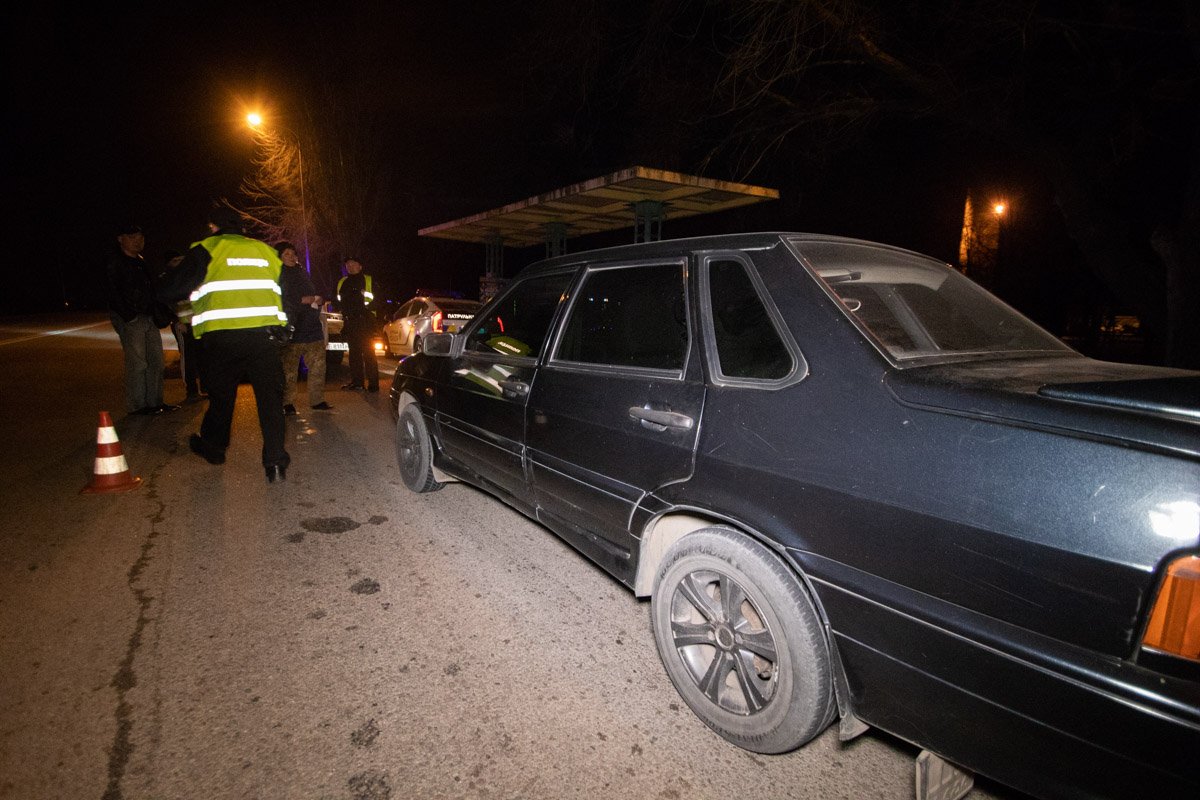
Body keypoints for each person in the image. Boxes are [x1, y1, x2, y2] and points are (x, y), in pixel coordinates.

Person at [157, 206, 291, 483]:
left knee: (222, 397)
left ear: (214, 227)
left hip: (221, 337)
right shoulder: (266, 251)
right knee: (270, 399)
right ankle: (276, 462)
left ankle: (214, 448)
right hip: (263, 336)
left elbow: (172, 289)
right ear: (242, 228)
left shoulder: (207, 249)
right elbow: (283, 292)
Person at [105, 223, 176, 415]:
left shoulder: (141, 262)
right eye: (132, 237)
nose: (137, 241)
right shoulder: (115, 262)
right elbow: (112, 291)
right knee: (137, 363)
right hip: (132, 318)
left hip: (148, 316)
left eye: (140, 237)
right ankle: (138, 406)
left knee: (156, 361)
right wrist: (129, 316)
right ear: (120, 239)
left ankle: (155, 403)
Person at [277, 241, 332, 414]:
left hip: (312, 327)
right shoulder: (277, 274)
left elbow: (317, 291)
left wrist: (319, 299)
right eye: (286, 254)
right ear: (279, 257)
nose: (291, 257)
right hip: (292, 328)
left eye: (293, 253)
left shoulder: (302, 272)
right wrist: (303, 300)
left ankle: (317, 400)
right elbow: (279, 299)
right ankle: (287, 403)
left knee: (318, 366)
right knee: (289, 370)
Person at [163, 249, 205, 399]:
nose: (179, 263)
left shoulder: (191, 276)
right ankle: (191, 391)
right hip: (182, 324)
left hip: (198, 322)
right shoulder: (168, 279)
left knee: (201, 355)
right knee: (188, 357)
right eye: (175, 261)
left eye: (181, 260)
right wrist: (178, 320)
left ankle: (204, 387)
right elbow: (168, 303)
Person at [336, 256, 379, 392]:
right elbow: (338, 300)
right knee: (354, 353)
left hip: (365, 321)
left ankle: (373, 384)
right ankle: (357, 382)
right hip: (350, 321)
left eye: (353, 264)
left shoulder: (368, 280)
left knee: (368, 353)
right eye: (348, 264)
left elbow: (378, 300)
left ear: (360, 266)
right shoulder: (343, 281)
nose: (350, 266)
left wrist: (366, 309)